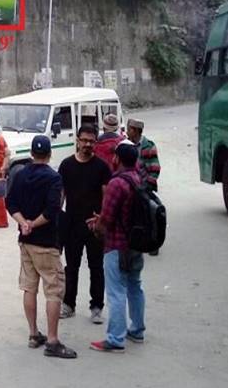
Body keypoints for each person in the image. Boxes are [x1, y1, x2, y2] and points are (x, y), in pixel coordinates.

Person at [6, 135, 77, 359]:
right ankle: (53, 340)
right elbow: (52, 210)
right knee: (54, 290)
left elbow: (10, 203)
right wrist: (34, 224)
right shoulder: (53, 178)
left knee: (29, 287)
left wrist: (23, 223)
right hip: (46, 242)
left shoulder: (20, 174)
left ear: (32, 153)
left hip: (25, 242)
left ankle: (33, 333)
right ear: (49, 154)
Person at [87, 140, 146, 353]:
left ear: (117, 159)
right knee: (135, 286)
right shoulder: (138, 179)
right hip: (136, 243)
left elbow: (107, 221)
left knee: (116, 291)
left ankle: (115, 338)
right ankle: (137, 329)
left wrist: (97, 224)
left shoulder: (116, 183)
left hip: (117, 244)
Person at [58, 124, 111, 324]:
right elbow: (60, 195)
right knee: (71, 266)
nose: (87, 144)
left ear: (95, 142)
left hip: (94, 226)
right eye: (84, 140)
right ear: (77, 141)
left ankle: (96, 307)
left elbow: (107, 197)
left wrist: (102, 221)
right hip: (72, 224)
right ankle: (68, 304)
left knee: (97, 267)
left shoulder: (102, 167)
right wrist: (57, 219)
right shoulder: (66, 165)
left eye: (91, 141)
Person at [126, 118, 161, 255]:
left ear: (135, 131)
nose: (127, 132)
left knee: (150, 215)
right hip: (132, 187)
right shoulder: (127, 145)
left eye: (129, 129)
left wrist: (148, 186)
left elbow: (155, 168)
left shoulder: (148, 146)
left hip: (145, 187)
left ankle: (154, 243)